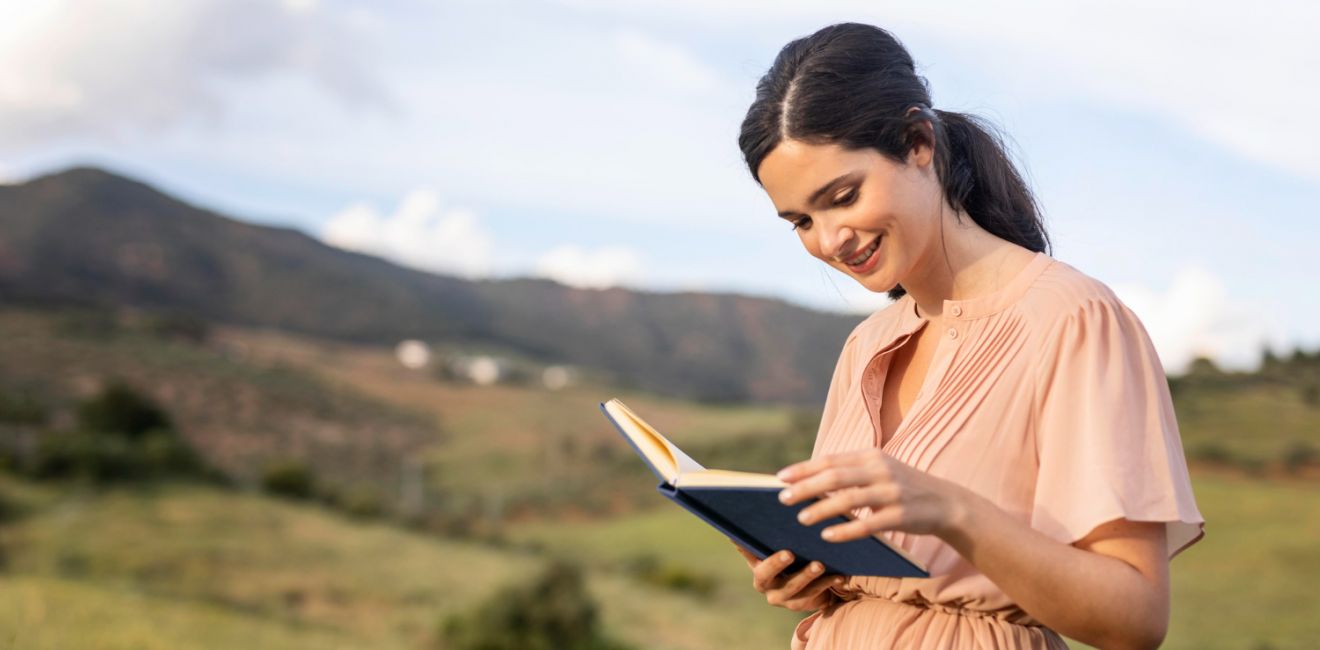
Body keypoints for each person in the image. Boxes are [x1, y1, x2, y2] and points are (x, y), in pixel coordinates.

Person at [732, 22, 1206, 649]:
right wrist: (805, 578)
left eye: (843, 196)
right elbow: (864, 567)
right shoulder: (865, 347)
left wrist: (953, 510)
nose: (829, 241)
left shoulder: (1073, 318)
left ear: (918, 141)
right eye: (800, 221)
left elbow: (1135, 618)